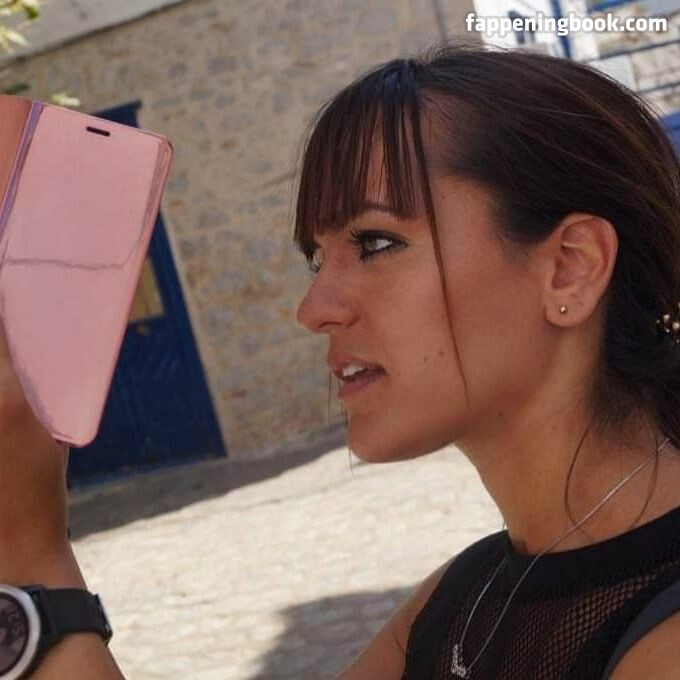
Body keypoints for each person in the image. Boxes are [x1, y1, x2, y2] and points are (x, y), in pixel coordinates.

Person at [2, 41, 680, 679]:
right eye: (317, 259)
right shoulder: (461, 600)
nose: (314, 308)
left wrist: (32, 559)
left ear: (570, 267)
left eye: (376, 242)